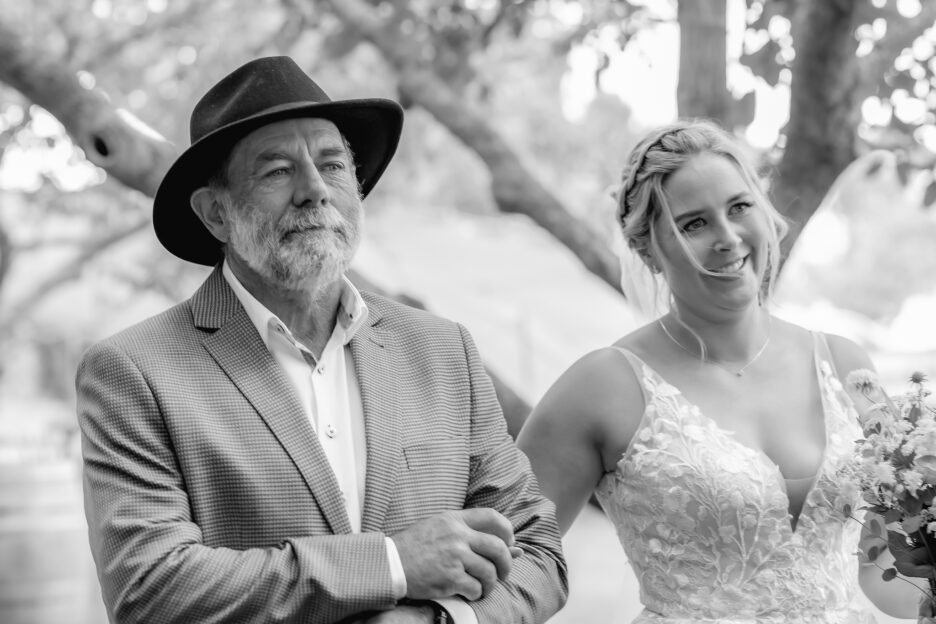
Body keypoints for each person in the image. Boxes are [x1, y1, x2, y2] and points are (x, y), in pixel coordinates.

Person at [76, 56, 567, 624]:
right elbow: (151, 588)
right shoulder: (134, 371)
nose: (314, 190)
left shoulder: (443, 350)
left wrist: (443, 621)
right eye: (278, 171)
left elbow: (538, 552)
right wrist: (391, 563)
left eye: (332, 165)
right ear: (216, 214)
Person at [517, 120, 894, 622]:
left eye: (739, 208)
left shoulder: (847, 366)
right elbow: (510, 565)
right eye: (694, 224)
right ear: (647, 249)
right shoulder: (601, 387)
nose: (728, 237)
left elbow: (888, 580)